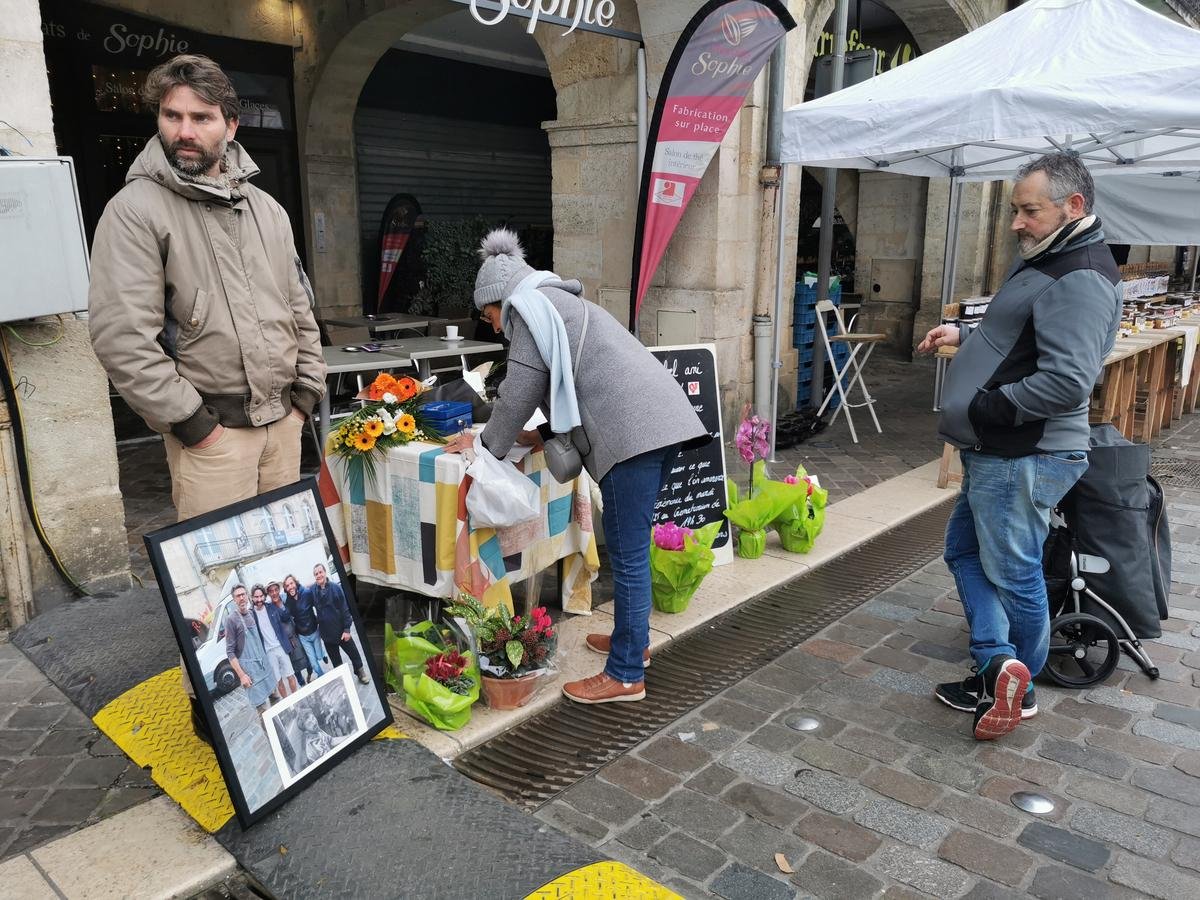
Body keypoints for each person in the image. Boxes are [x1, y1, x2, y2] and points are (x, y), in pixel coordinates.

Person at [86, 54, 325, 741]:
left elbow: (299, 309)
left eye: (199, 117)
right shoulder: (135, 211)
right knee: (215, 585)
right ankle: (217, 713)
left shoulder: (268, 209)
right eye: (171, 116)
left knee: (276, 573)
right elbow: (121, 338)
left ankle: (286, 692)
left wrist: (305, 397)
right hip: (213, 435)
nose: (184, 131)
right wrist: (194, 426)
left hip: (282, 425)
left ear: (230, 123)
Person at [443, 229, 707, 705]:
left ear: (501, 300)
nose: (494, 327)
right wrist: (538, 436)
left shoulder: (528, 309)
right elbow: (579, 377)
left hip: (632, 436)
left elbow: (522, 388)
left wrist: (484, 445)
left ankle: (626, 674)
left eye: (489, 316)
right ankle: (634, 643)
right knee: (632, 549)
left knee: (626, 554)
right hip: (657, 423)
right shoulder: (553, 300)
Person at [917, 152, 1121, 741]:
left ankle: (1017, 682)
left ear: (1072, 206)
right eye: (1013, 210)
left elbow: (1067, 379)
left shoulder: (1078, 276)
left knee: (1014, 574)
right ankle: (997, 664)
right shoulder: (1051, 259)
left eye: (1029, 210)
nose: (1016, 223)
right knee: (964, 553)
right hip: (1003, 454)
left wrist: (985, 407)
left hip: (1020, 455)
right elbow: (1024, 337)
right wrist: (967, 336)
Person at [311, 564, 369, 684]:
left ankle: (360, 672)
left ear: (325, 572)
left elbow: (344, 609)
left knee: (354, 653)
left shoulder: (335, 588)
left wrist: (347, 629)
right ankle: (344, 682)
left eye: (320, 572)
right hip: (327, 635)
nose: (318, 575)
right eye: (316, 574)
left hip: (341, 631)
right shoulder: (313, 591)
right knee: (336, 661)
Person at [224, 584, 274, 723]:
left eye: (243, 594)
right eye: (238, 596)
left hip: (265, 668)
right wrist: (242, 675)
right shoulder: (231, 620)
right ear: (234, 600)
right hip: (251, 675)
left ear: (247, 596)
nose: (241, 598)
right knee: (264, 713)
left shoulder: (252, 613)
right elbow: (230, 652)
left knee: (276, 700)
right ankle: (273, 739)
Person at [250, 584, 299, 699]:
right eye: (256, 597)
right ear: (252, 597)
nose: (259, 599)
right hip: (268, 652)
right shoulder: (251, 614)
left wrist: (281, 600)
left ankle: (296, 699)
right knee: (278, 680)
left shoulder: (272, 607)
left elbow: (286, 616)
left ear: (264, 596)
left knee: (290, 675)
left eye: (261, 596)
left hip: (281, 647)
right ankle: (288, 703)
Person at [283, 573, 327, 681]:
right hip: (303, 636)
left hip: (314, 631)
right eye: (287, 586)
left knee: (319, 657)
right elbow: (285, 615)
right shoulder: (288, 602)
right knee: (314, 663)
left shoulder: (307, 593)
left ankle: (323, 654)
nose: (290, 587)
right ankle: (323, 677)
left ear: (295, 583)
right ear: (286, 589)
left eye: (291, 583)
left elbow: (317, 601)